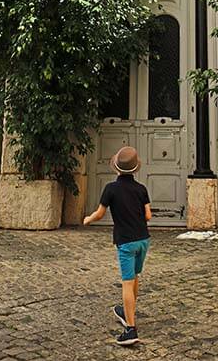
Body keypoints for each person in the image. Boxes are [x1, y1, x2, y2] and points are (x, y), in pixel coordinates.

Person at [83, 145, 151, 346]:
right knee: (135, 277)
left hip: (126, 242)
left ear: (116, 168)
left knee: (127, 282)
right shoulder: (141, 189)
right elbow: (148, 215)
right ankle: (127, 311)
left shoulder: (111, 189)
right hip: (143, 240)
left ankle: (130, 329)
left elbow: (100, 213)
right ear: (135, 168)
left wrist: (88, 219)